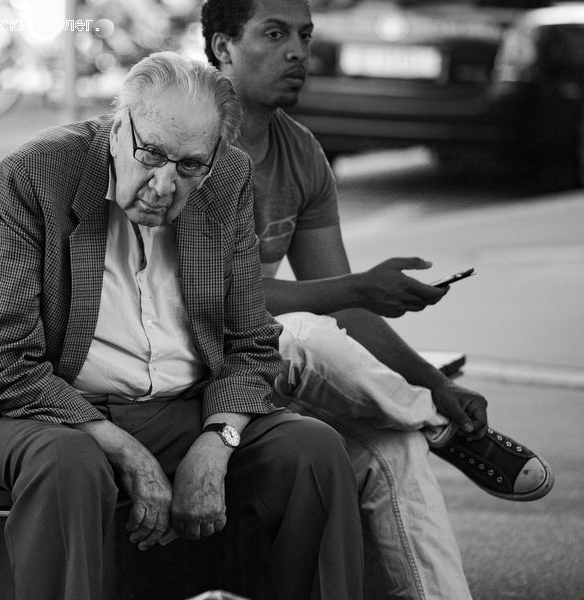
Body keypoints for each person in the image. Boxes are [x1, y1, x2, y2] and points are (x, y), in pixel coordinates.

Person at [0, 51, 363, 600]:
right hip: (44, 411)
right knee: (68, 462)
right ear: (119, 125)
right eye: (150, 154)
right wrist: (123, 448)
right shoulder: (38, 171)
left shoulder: (228, 179)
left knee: (313, 451)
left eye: (189, 165)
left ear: (216, 156)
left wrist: (217, 442)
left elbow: (249, 341)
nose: (163, 184)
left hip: (185, 405)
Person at [201, 0, 555, 598]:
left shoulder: (302, 152)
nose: (298, 52)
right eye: (275, 33)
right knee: (305, 332)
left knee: (396, 450)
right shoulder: (187, 142)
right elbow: (220, 299)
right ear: (221, 48)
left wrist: (431, 378)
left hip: (258, 365)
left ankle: (432, 422)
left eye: (306, 36)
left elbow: (344, 305)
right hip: (184, 359)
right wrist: (360, 287)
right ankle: (440, 423)